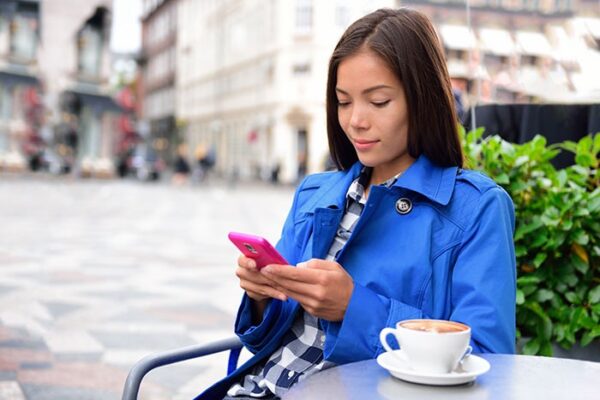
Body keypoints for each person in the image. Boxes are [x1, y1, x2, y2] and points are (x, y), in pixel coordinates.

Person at [196, 8, 516, 400]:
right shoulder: (316, 194)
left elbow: (487, 363)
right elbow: (270, 340)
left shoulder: (475, 208)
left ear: (423, 98)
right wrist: (262, 295)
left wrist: (354, 308)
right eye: (343, 102)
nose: (355, 121)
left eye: (379, 102)